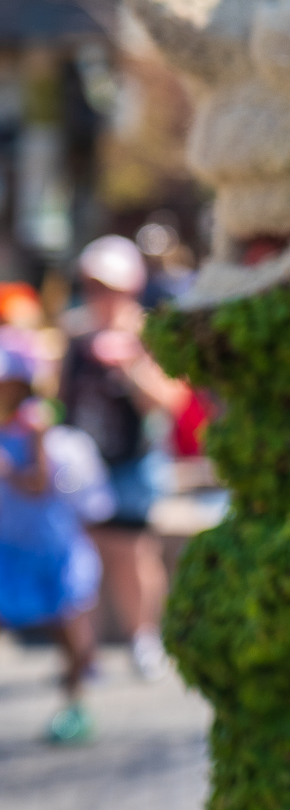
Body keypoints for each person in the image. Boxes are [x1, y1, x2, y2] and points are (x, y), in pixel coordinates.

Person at [59, 235, 190, 681]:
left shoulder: (147, 333)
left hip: (132, 462)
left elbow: (172, 402)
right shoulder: (74, 333)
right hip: (84, 464)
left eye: (109, 287)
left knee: (133, 553)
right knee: (84, 556)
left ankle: (143, 640)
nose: (101, 296)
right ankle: (84, 654)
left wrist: (130, 368)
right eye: (93, 286)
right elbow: (61, 397)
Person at [0, 346, 104, 742]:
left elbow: (38, 484)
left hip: (48, 541)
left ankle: (76, 705)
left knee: (69, 628)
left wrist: (8, 473)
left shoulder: (34, 424)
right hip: (11, 540)